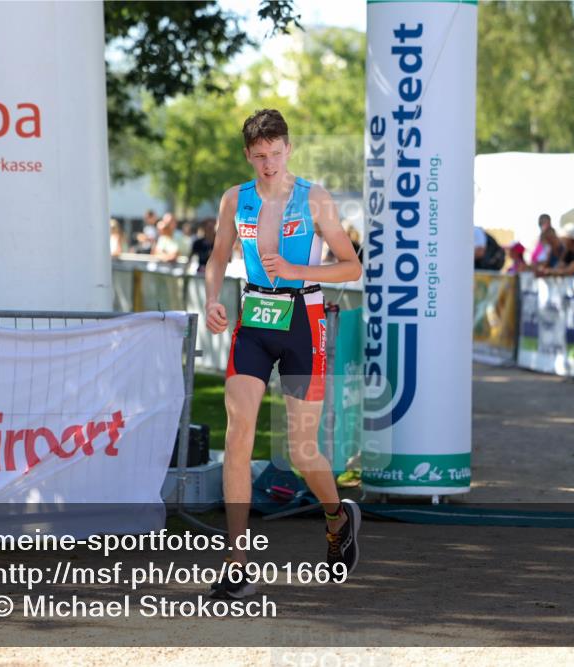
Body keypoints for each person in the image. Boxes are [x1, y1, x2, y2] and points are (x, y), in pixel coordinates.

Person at [203, 109, 362, 599]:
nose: (268, 164)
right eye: (259, 156)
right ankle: (236, 560)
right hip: (253, 321)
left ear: (288, 148)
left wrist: (295, 269)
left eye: (276, 154)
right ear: (248, 155)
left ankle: (337, 516)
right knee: (238, 438)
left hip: (302, 322)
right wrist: (211, 298)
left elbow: (351, 266)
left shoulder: (314, 199)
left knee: (300, 451)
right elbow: (216, 258)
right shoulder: (237, 199)